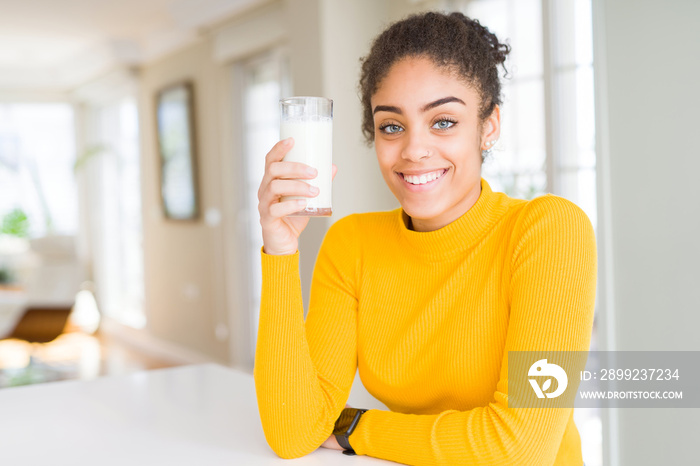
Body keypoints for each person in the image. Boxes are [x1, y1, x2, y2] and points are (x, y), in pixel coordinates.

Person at [254, 11, 596, 466]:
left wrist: (357, 426)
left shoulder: (549, 232)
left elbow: (520, 449)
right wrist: (279, 250)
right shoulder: (351, 245)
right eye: (391, 126)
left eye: (443, 121)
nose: (414, 149)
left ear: (488, 126)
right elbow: (294, 432)